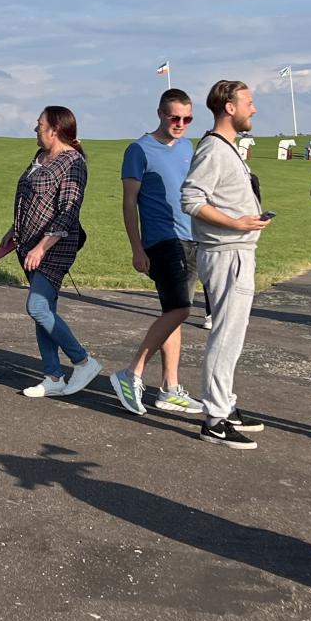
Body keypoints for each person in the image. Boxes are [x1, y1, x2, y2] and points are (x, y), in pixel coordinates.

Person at [178, 80, 274, 449]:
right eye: (249, 102)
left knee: (233, 333)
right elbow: (191, 198)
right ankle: (215, 419)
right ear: (229, 108)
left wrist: (247, 220)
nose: (254, 108)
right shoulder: (214, 149)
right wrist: (236, 223)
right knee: (226, 334)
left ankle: (225, 406)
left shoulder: (227, 147)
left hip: (237, 250)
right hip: (226, 252)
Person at [107, 90, 207, 418]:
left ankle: (169, 388)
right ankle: (131, 373)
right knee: (180, 309)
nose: (180, 124)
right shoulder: (139, 150)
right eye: (174, 117)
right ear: (160, 114)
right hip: (162, 241)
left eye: (187, 119)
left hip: (190, 238)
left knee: (173, 313)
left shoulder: (188, 147)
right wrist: (137, 248)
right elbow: (129, 203)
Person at [4, 107, 103, 399]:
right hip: (28, 246)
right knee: (45, 312)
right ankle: (53, 377)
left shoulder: (73, 163)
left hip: (53, 249)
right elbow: (29, 199)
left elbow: (67, 213)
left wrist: (41, 247)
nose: (35, 129)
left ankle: (83, 361)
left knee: (37, 307)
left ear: (54, 129)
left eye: (39, 125)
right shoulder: (40, 157)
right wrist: (13, 230)